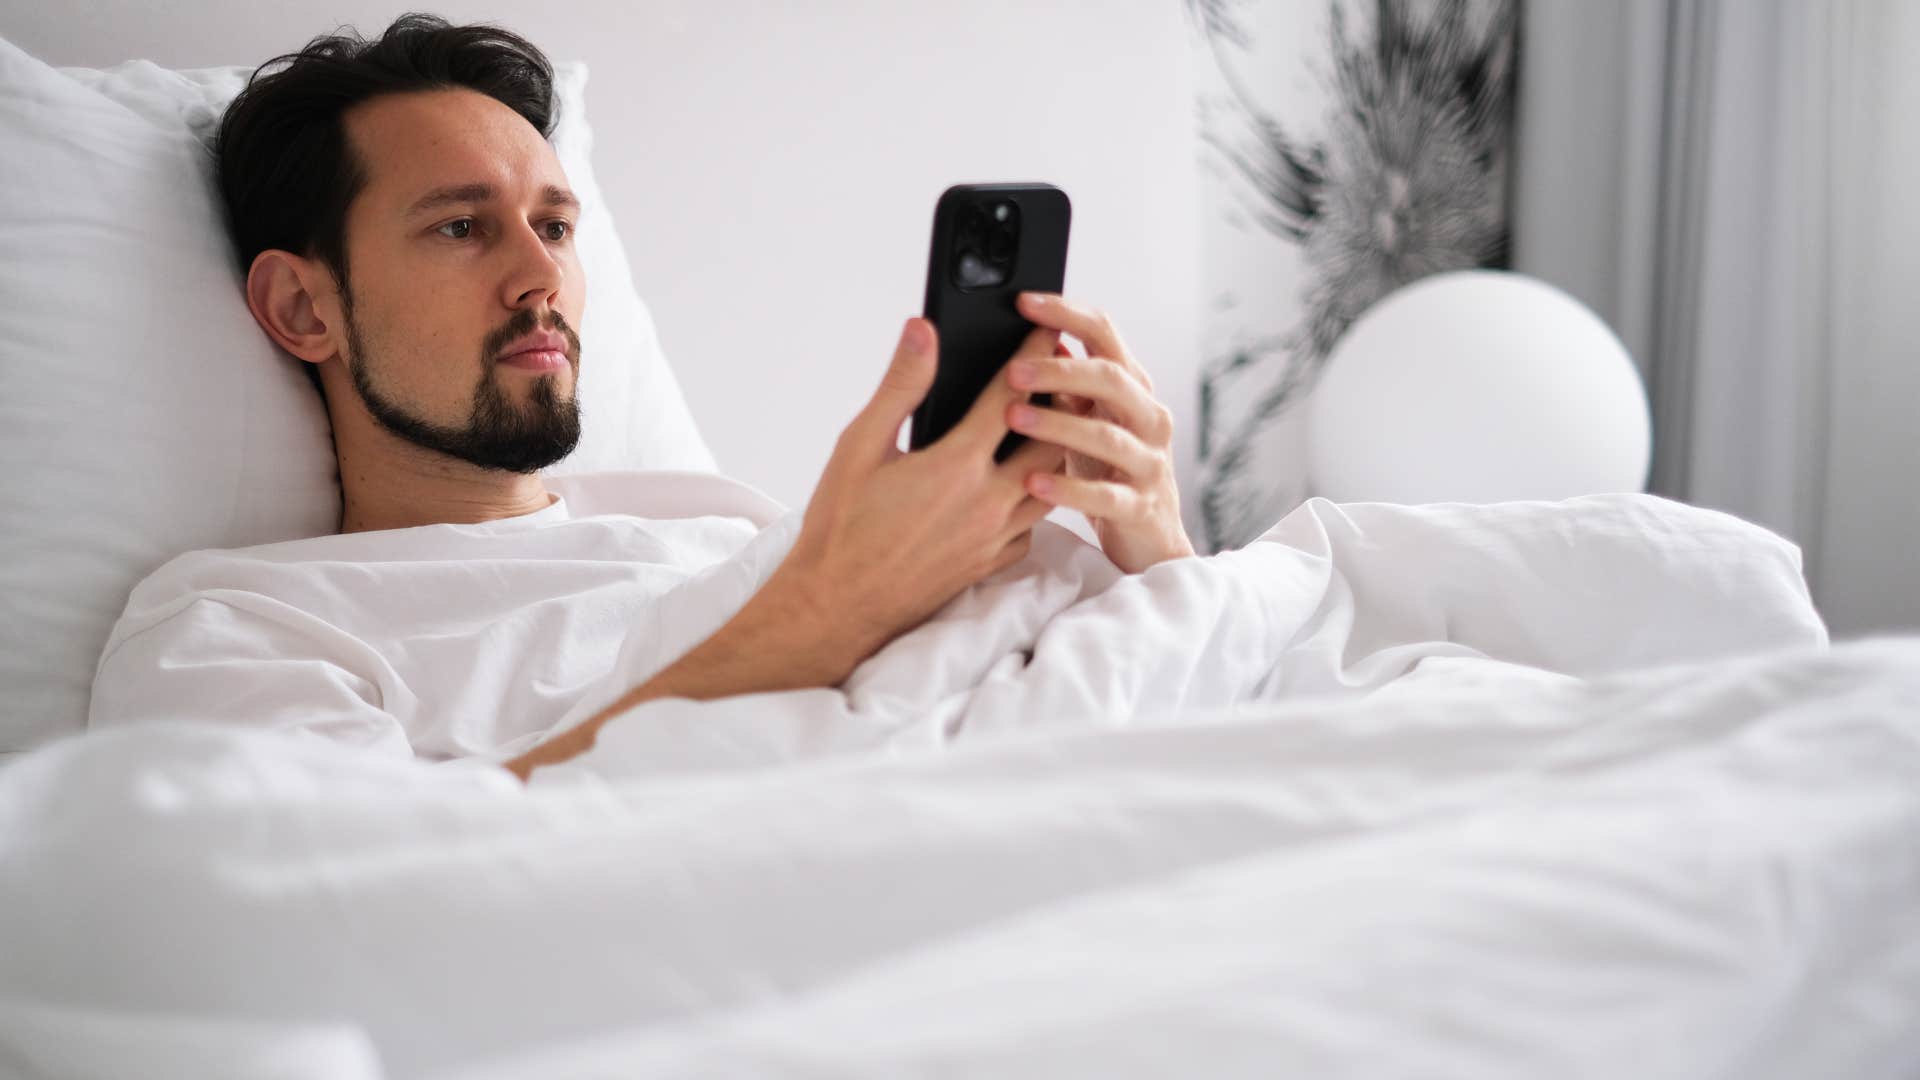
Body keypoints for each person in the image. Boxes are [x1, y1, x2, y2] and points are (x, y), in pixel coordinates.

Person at [88, 13, 1193, 781]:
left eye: (556, 227)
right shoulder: (234, 630)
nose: (542, 280)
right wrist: (828, 614)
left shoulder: (719, 526)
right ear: (302, 309)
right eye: (460, 227)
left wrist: (1157, 558)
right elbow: (352, 909)